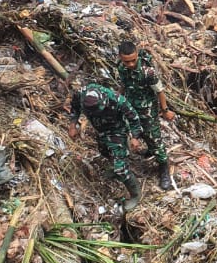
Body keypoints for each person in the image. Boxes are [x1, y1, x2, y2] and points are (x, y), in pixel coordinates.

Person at [69, 84, 146, 211]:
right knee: (104, 151)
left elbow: (133, 118)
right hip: (100, 130)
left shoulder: (116, 99)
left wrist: (135, 137)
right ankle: (115, 167)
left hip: (117, 130)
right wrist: (72, 124)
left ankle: (135, 195)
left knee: (121, 167)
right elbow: (74, 107)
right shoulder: (81, 94)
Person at [116, 41, 175, 190]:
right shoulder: (121, 67)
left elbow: (159, 91)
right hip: (131, 108)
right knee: (135, 132)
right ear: (120, 58)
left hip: (147, 110)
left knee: (154, 138)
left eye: (133, 60)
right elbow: (123, 84)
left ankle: (164, 168)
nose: (130, 64)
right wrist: (118, 98)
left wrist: (165, 110)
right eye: (126, 61)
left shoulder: (147, 72)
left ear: (137, 55)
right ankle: (149, 150)